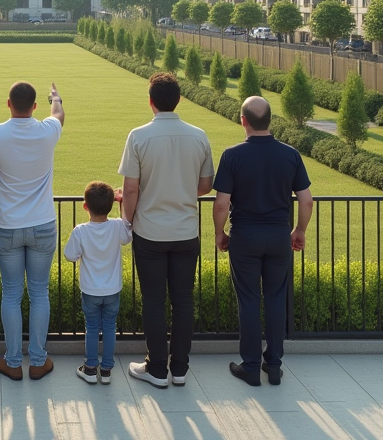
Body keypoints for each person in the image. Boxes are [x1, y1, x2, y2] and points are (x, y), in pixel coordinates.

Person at [119, 72, 214, 389]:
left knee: (154, 301)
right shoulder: (199, 135)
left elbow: (130, 190)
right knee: (184, 301)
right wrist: (181, 190)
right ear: (179, 100)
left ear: (150, 101)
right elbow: (204, 185)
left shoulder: (138, 136)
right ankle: (181, 368)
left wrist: (126, 221)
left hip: (150, 232)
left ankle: (157, 367)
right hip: (186, 231)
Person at [213, 95, 313, 387]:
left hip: (245, 236)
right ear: (270, 120)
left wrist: (220, 233)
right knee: (275, 299)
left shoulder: (232, 155)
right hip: (279, 235)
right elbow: (306, 201)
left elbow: (221, 205)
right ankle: (274, 364)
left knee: (249, 300)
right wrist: (299, 231)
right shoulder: (290, 154)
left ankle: (251, 365)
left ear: (243, 121)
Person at [0, 80, 64, 381]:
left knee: (12, 293)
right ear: (34, 106)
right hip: (42, 224)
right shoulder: (47, 130)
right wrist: (56, 98)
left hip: (8, 225)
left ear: (8, 103)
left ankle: (14, 362)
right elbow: (59, 115)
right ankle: (39, 361)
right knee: (39, 292)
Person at [63, 181, 132, 385]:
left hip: (91, 290)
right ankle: (107, 369)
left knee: (92, 327)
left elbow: (69, 255)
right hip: (112, 289)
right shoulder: (117, 226)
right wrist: (122, 204)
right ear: (111, 205)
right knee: (110, 326)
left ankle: (91, 368)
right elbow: (127, 234)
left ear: (85, 206)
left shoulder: (81, 231)